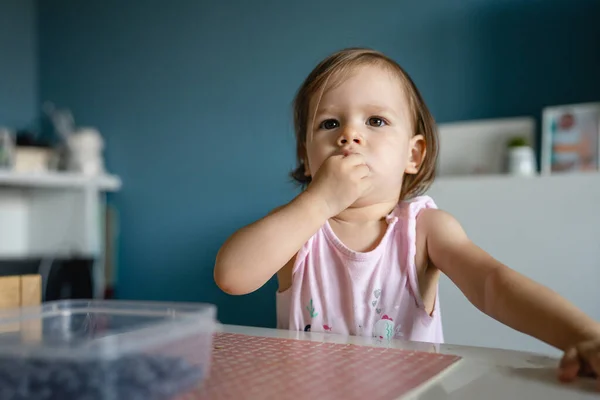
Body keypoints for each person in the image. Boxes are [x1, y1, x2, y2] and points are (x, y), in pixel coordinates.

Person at [213, 47, 600, 383]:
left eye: (375, 121)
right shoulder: (297, 228)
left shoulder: (424, 229)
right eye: (329, 123)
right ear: (306, 157)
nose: (349, 135)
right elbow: (232, 276)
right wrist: (319, 203)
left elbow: (493, 285)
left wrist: (582, 334)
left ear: (413, 155)